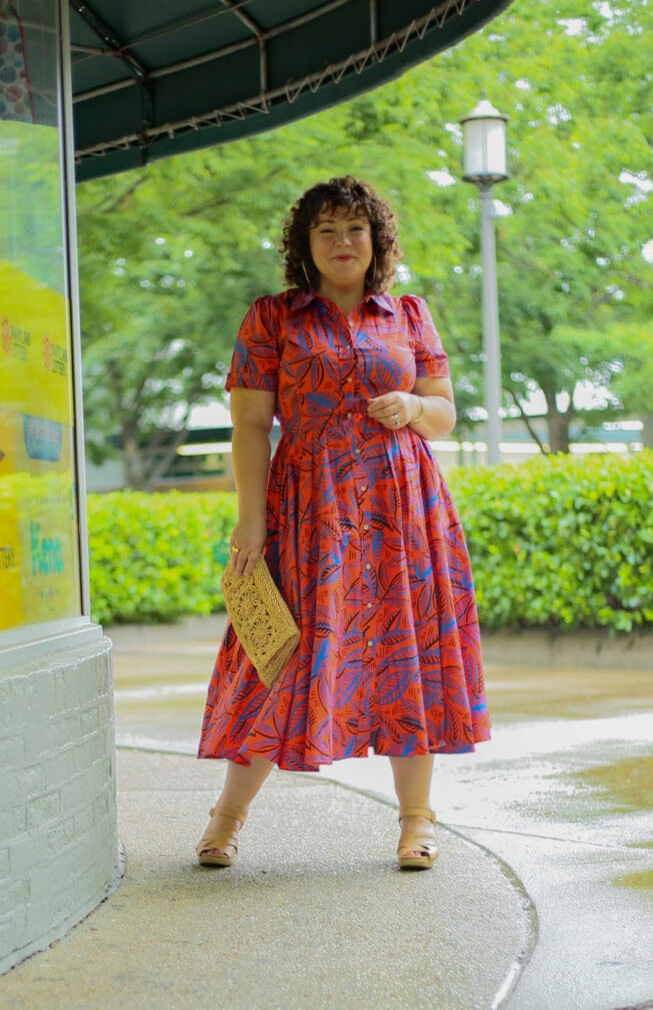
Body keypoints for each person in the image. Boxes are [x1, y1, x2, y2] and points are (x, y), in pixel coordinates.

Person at [196, 175, 491, 870]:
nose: (341, 242)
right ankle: (226, 817)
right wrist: (250, 522)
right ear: (305, 244)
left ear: (376, 241)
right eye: (326, 230)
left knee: (406, 653)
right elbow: (248, 425)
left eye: (354, 229)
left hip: (401, 512)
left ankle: (416, 822)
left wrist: (413, 408)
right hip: (307, 511)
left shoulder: (410, 315)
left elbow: (445, 412)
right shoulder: (272, 318)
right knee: (278, 657)